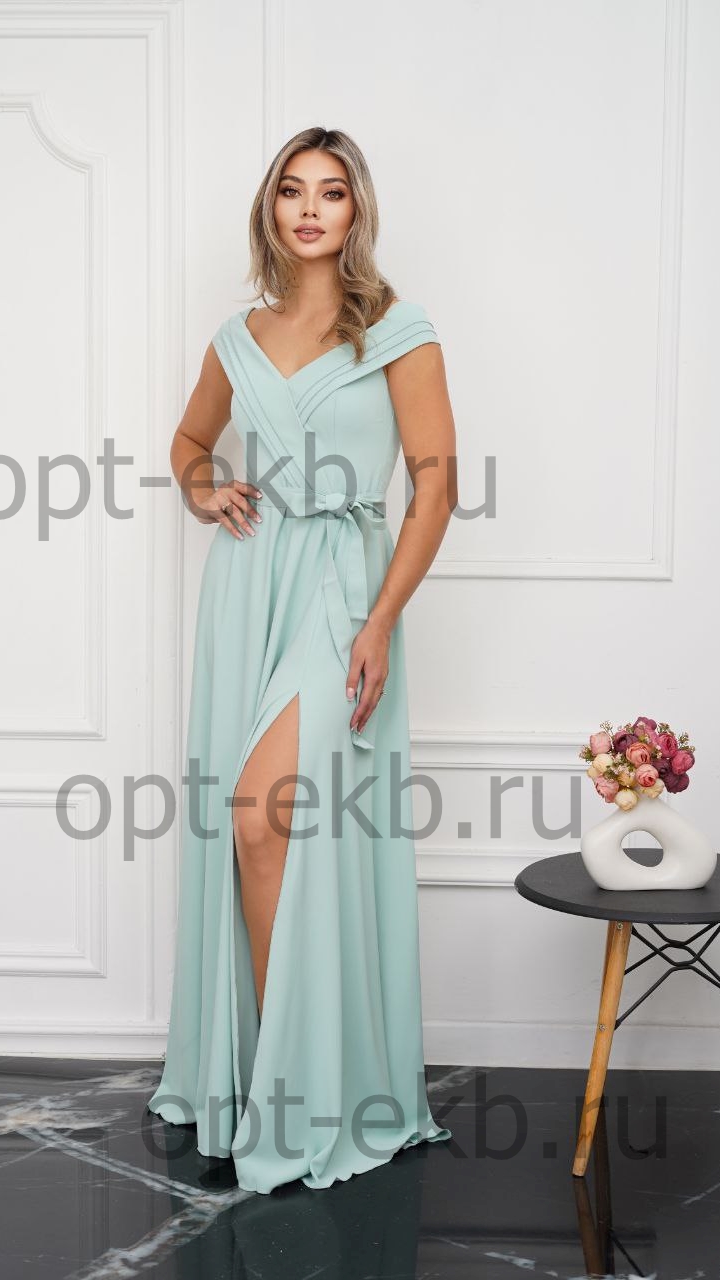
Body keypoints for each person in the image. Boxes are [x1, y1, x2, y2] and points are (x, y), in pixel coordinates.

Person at [147, 126, 458, 1194]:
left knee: (259, 812)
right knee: (258, 828)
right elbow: (187, 444)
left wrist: (379, 621)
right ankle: (270, 1080)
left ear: (355, 210)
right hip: (248, 587)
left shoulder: (398, 331)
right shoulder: (237, 337)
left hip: (343, 590)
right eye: (292, 190)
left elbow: (433, 486)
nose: (311, 208)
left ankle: (303, 1087)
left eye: (331, 191)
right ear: (271, 209)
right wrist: (205, 489)